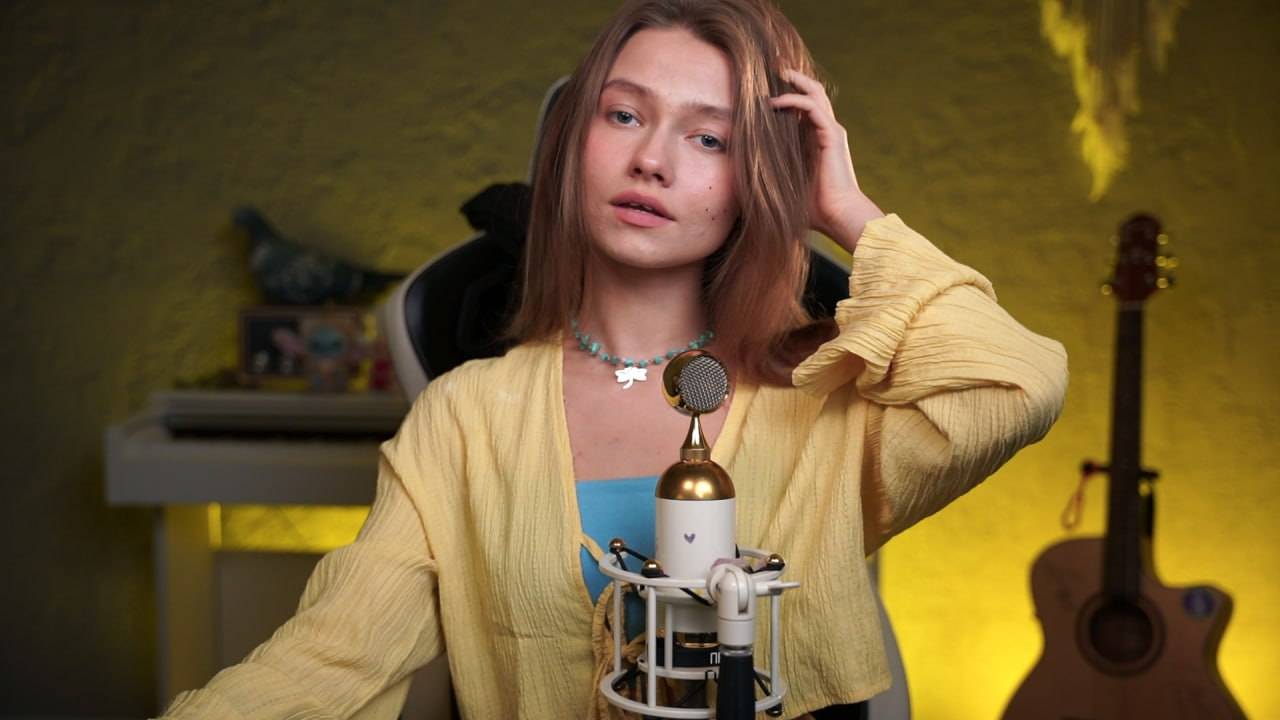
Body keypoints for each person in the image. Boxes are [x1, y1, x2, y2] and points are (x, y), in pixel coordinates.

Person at [161, 0, 1068, 718]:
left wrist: (844, 211)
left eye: (709, 138)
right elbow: (332, 660)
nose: (651, 160)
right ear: (573, 146)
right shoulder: (463, 416)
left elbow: (1018, 385)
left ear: (756, 180)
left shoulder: (824, 401)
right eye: (625, 115)